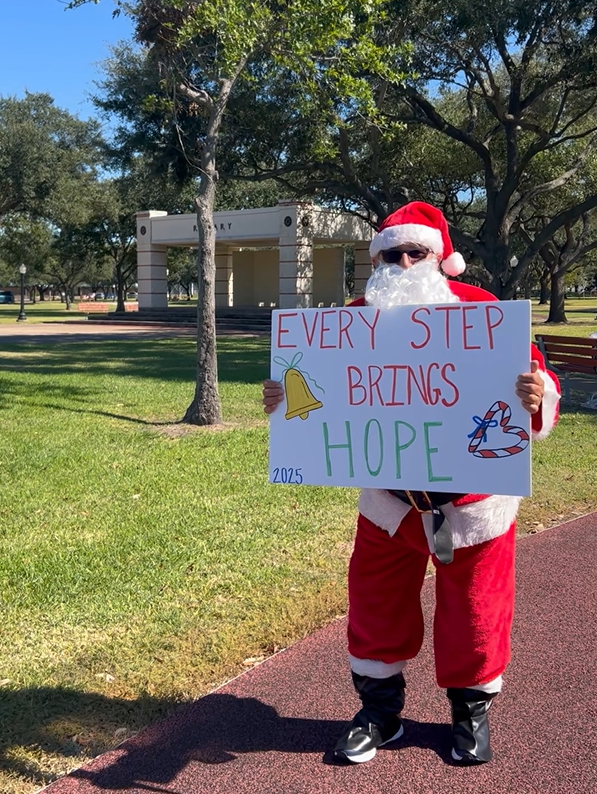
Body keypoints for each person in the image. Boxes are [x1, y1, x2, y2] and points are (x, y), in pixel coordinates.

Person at [263, 201, 561, 766]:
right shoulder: (350, 320)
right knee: (374, 606)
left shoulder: (482, 311)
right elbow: (315, 387)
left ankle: (470, 715)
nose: (402, 263)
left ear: (440, 258)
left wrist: (536, 392)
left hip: (473, 505)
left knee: (476, 613)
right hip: (389, 502)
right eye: (391, 254)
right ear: (376, 260)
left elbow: (532, 377)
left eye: (415, 252)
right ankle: (380, 714)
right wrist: (283, 397)